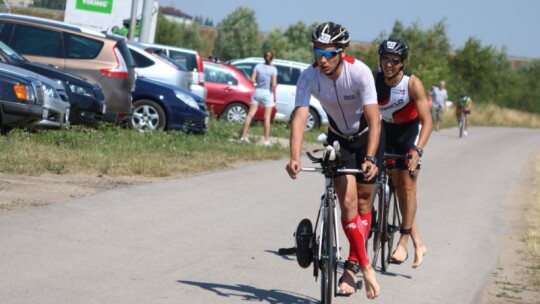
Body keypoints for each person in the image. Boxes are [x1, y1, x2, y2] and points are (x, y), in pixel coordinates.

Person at [285, 22, 382, 300]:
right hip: (339, 137)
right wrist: (294, 157)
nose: (322, 59)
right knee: (348, 203)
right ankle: (365, 266)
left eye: (329, 53)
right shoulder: (309, 76)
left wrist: (372, 158)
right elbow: (300, 117)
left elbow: (375, 120)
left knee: (363, 202)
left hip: (368, 137)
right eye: (317, 52)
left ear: (343, 51)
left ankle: (351, 265)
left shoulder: (360, 72)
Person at [375, 39, 432, 268]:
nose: (389, 64)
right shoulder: (373, 79)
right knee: (396, 188)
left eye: (394, 60)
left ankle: (404, 242)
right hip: (387, 132)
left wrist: (418, 150)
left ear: (402, 63)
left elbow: (428, 122)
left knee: (407, 187)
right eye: (385, 58)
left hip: (410, 134)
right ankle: (420, 244)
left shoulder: (412, 84)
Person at [240, 50, 277, 146]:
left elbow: (252, 80)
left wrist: (258, 81)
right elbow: (273, 84)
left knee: (250, 115)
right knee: (267, 118)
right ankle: (266, 141)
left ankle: (243, 137)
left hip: (258, 92)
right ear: (272, 58)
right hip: (267, 93)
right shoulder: (273, 70)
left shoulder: (258, 66)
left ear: (264, 57)